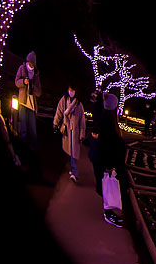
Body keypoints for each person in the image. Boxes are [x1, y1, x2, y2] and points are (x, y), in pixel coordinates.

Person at [90, 92, 127, 228]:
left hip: (100, 159)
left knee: (106, 185)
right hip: (104, 161)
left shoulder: (104, 120)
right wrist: (110, 165)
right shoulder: (107, 123)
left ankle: (109, 211)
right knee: (107, 186)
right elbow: (107, 145)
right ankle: (108, 213)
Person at [53, 84, 86, 182]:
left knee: (73, 153)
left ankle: (74, 173)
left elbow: (82, 121)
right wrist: (55, 123)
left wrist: (82, 134)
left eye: (73, 90)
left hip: (75, 131)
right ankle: (72, 169)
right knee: (67, 152)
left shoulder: (79, 105)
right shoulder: (63, 101)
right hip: (66, 130)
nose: (71, 92)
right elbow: (59, 111)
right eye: (70, 89)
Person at [14, 52, 42, 166]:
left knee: (33, 131)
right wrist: (24, 82)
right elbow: (17, 82)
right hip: (22, 103)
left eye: (32, 64)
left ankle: (33, 154)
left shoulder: (36, 74)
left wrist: (33, 86)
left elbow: (39, 92)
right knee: (24, 130)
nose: (30, 66)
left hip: (31, 106)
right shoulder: (21, 69)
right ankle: (22, 153)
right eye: (29, 63)